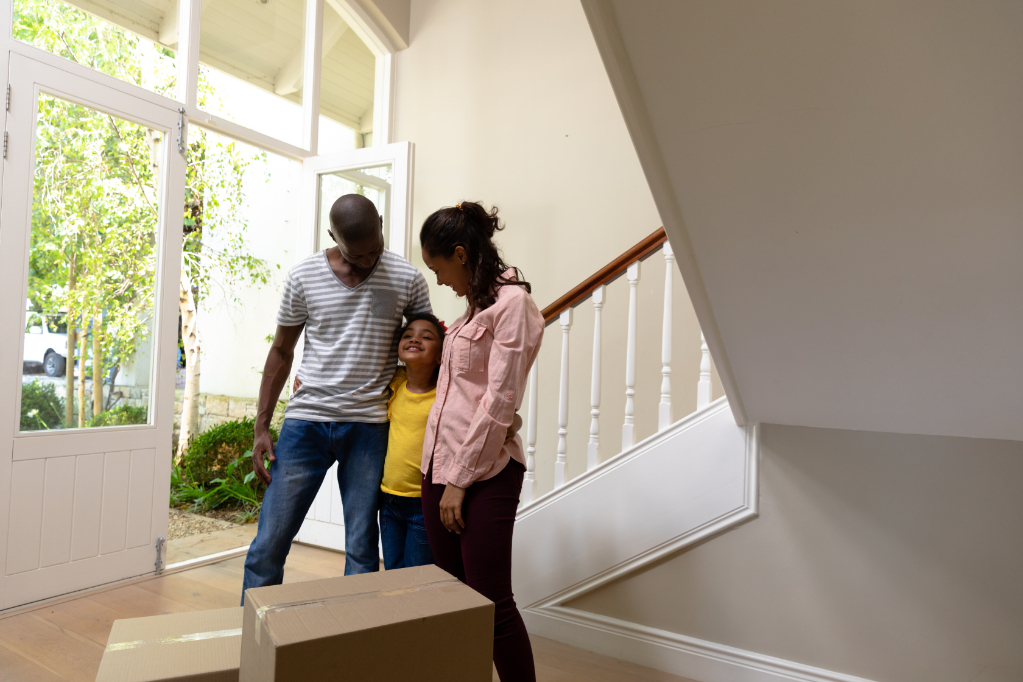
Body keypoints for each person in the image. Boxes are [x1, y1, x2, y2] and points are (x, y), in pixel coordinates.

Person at [241, 194, 431, 601]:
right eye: (356, 254)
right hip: (306, 422)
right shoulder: (303, 276)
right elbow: (281, 351)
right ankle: (248, 648)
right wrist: (261, 426)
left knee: (362, 548)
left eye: (374, 250)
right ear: (333, 237)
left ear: (381, 222)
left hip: (369, 427)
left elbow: (423, 349)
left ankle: (354, 648)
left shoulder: (407, 278)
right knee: (269, 541)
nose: (367, 261)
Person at [419, 201, 544, 682]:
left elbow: (498, 401)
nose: (438, 280)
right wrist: (438, 473)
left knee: (492, 605)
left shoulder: (514, 306)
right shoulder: (476, 306)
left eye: (438, 268)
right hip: (438, 464)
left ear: (460, 253)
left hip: (484, 474)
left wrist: (459, 483)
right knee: (452, 599)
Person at [379, 313, 444, 569]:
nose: (415, 338)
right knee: (393, 573)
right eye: (408, 335)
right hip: (388, 500)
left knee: (416, 580)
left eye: (426, 337)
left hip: (423, 504)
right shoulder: (395, 383)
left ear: (441, 356)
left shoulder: (443, 396)